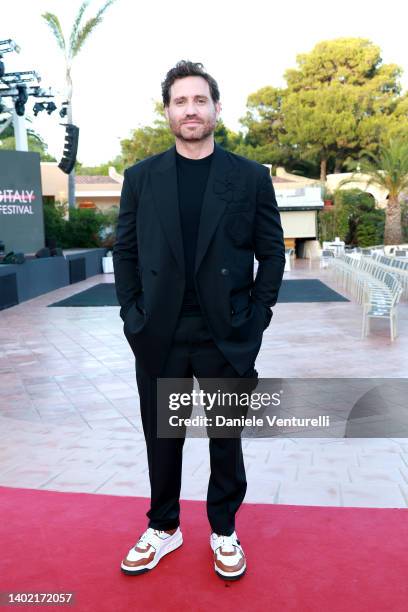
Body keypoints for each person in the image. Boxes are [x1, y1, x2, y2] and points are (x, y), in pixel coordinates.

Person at [113, 60, 285, 581]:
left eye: (199, 100)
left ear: (215, 108)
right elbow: (124, 251)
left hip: (227, 332)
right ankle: (164, 527)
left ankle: (224, 530)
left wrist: (256, 318)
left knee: (224, 438)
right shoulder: (141, 178)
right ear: (168, 111)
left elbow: (272, 254)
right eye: (180, 101)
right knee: (162, 438)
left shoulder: (250, 177)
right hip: (159, 334)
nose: (191, 110)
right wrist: (132, 316)